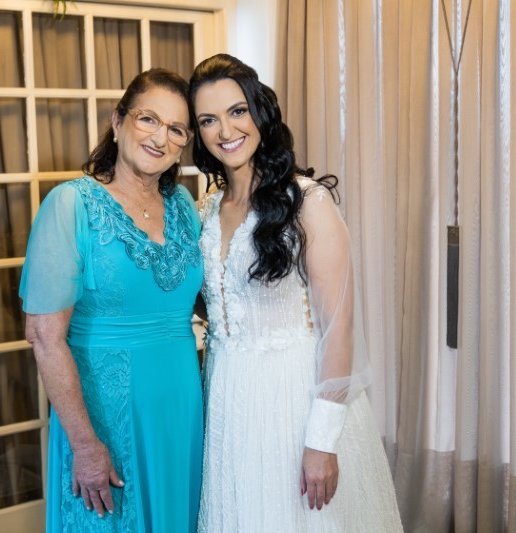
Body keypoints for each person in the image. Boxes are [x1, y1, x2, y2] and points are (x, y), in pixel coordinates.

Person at [190, 53, 403, 532]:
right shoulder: (204, 210)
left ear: (260, 112)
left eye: (237, 111)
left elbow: (338, 327)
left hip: (292, 400)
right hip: (226, 402)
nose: (226, 130)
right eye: (208, 120)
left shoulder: (307, 202)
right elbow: (214, 303)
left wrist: (322, 440)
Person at [20, 68, 203, 532]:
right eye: (148, 119)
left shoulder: (184, 206)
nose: (160, 138)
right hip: (105, 416)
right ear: (118, 121)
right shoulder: (70, 205)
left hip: (181, 410)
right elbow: (44, 337)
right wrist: (84, 445)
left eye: (176, 129)